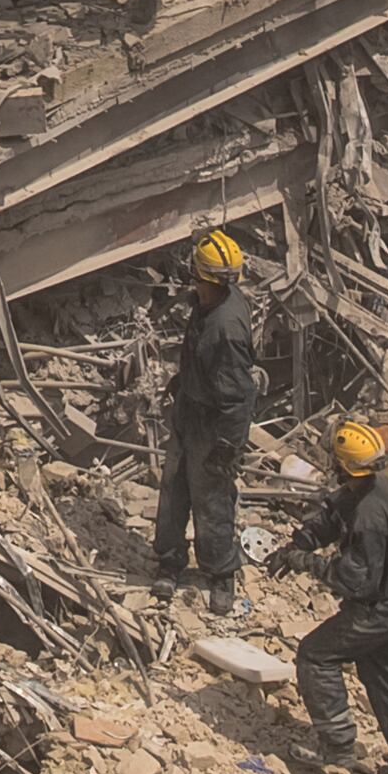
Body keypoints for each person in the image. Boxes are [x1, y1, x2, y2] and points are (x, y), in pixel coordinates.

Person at [278, 420, 388, 774]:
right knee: (383, 673)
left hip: (381, 607)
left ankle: (337, 750)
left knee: (315, 656)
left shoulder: (369, 518)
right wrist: (304, 538)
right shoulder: (378, 485)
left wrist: (305, 562)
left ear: (341, 465)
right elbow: (337, 510)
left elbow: (354, 579)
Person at [155, 229, 262, 616]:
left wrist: (226, 448)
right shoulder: (207, 304)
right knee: (173, 488)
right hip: (190, 408)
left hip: (213, 423)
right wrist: (183, 383)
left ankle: (220, 572)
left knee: (211, 499)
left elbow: (238, 397)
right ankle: (169, 560)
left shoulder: (226, 329)